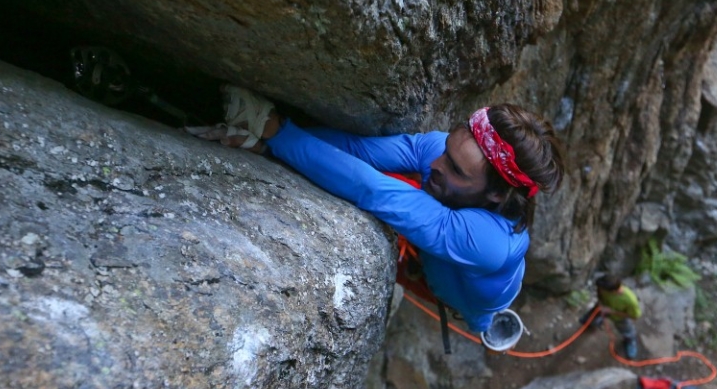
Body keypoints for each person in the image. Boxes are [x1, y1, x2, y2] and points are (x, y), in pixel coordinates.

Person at [187, 86, 565, 336]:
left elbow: (374, 191)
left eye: (456, 169)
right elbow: (360, 150)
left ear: (497, 196)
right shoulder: (442, 152)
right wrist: (275, 143)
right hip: (443, 261)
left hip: (469, 297)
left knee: (477, 316)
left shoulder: (490, 242)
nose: (436, 162)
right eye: (446, 150)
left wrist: (274, 132)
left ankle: (486, 327)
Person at [580, 274, 642, 359]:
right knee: (592, 315)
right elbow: (600, 293)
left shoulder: (630, 300)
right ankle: (588, 321)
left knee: (627, 329)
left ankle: (630, 340)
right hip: (601, 308)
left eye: (602, 289)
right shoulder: (605, 287)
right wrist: (600, 304)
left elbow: (634, 316)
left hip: (618, 317)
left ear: (612, 292)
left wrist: (612, 311)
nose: (600, 290)